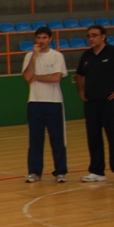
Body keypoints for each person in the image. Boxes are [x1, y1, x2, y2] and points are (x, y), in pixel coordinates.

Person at [74, 24, 114, 185]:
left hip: (110, 103)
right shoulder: (86, 55)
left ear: (103, 37)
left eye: (94, 35)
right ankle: (97, 171)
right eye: (89, 35)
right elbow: (79, 75)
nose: (91, 38)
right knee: (94, 138)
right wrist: (82, 92)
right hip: (91, 104)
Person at [21, 27, 69, 183]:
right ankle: (35, 172)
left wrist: (37, 77)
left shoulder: (57, 56)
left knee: (57, 139)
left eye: (44, 38)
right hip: (35, 102)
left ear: (50, 39)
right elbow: (28, 77)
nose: (41, 41)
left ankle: (60, 172)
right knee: (35, 139)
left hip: (54, 103)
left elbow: (56, 78)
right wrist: (34, 57)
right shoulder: (29, 56)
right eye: (38, 38)